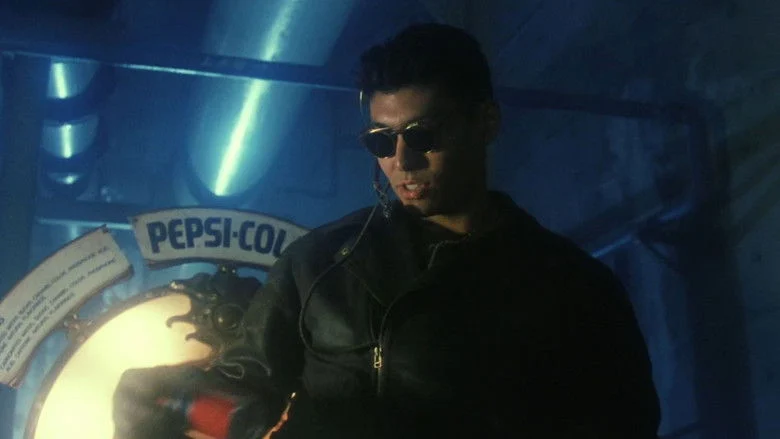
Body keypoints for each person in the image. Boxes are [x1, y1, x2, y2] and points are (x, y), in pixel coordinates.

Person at [113, 23, 661, 438]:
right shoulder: (320, 264)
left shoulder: (571, 288)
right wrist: (174, 400)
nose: (402, 160)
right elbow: (246, 383)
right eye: (381, 140)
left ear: (486, 123)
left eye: (423, 134)